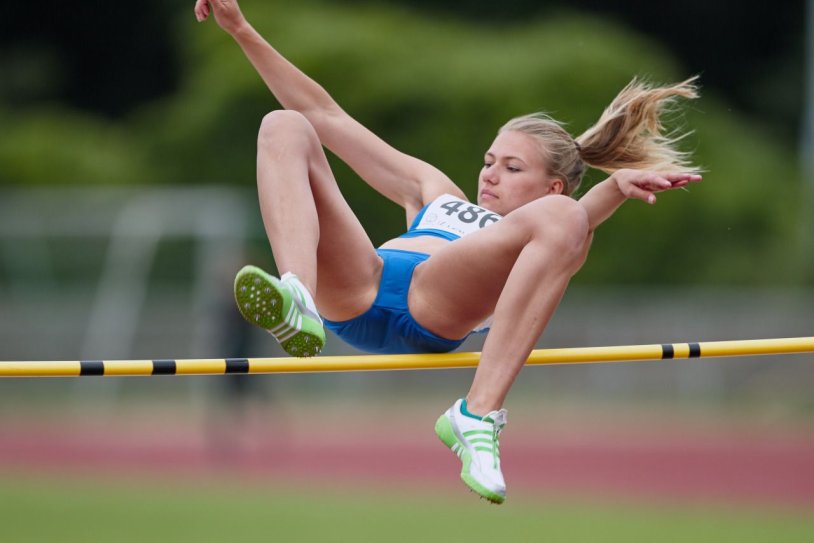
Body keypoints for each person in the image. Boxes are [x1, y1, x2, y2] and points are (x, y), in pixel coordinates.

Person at [194, 0, 702, 504]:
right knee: (284, 125)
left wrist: (614, 189)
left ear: (552, 188)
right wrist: (241, 29)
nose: (489, 174)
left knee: (568, 224)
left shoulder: (550, 222)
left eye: (511, 167)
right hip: (358, 284)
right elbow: (324, 114)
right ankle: (297, 295)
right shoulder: (436, 191)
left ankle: (477, 414)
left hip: (433, 304)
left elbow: (574, 219)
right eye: (489, 160)